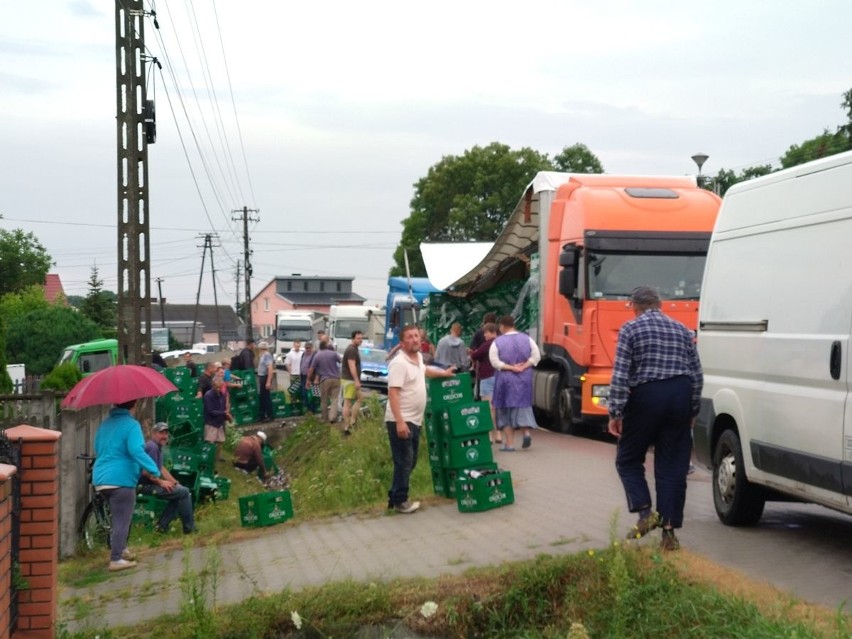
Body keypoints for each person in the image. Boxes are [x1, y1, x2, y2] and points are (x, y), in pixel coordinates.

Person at [607, 286, 703, 552]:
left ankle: (644, 512)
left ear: (635, 307)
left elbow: (621, 374)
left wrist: (615, 412)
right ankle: (669, 534)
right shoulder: (683, 330)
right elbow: (697, 375)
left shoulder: (630, 329)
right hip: (680, 395)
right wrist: (692, 410)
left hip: (647, 396)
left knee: (628, 458)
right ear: (659, 304)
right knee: (673, 467)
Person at [385, 324, 457, 514]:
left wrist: (444, 373)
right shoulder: (399, 363)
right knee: (404, 461)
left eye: (416, 336)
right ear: (401, 343)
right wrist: (399, 422)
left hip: (415, 420)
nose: (415, 339)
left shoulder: (417, 358)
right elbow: (393, 394)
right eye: (409, 337)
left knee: (411, 460)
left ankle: (394, 496)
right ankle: (401, 501)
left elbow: (425, 371)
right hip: (401, 420)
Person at [93, 399, 163, 571]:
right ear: (134, 405)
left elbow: (97, 447)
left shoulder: (105, 424)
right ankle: (116, 558)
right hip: (121, 479)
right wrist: (154, 469)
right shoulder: (132, 425)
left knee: (117, 516)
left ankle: (122, 549)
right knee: (121, 520)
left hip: (101, 478)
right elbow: (136, 450)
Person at [489, 315, 541, 452]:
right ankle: (526, 432)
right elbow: (536, 356)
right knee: (523, 406)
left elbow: (495, 362)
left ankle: (510, 444)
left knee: (504, 410)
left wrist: (511, 367)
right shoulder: (527, 339)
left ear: (502, 326)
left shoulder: (497, 342)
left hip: (505, 379)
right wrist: (524, 366)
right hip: (524, 379)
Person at [138, 422, 196, 535]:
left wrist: (175, 482)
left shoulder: (157, 447)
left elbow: (161, 469)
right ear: (153, 433)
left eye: (166, 433)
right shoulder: (152, 447)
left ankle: (161, 527)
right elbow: (145, 472)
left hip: (151, 484)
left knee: (178, 492)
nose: (164, 436)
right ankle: (189, 528)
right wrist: (161, 483)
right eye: (161, 433)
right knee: (184, 492)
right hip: (144, 486)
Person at [470, 322, 499, 444]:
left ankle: (489, 435)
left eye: (486, 333)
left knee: (488, 408)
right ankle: (498, 435)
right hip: (499, 377)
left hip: (487, 377)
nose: (485, 335)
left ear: (492, 332)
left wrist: (472, 353)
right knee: (496, 408)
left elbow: (475, 355)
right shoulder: (501, 343)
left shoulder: (488, 344)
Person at [308, 341, 342, 424]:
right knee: (335, 399)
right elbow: (341, 361)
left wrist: (308, 380)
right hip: (336, 379)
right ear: (326, 346)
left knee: (324, 400)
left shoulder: (317, 355)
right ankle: (332, 417)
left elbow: (311, 369)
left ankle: (325, 418)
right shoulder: (333, 354)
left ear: (320, 347)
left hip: (325, 380)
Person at [203, 377, 232, 467]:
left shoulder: (222, 395)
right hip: (211, 422)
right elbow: (210, 411)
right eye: (216, 387)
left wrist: (226, 415)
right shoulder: (208, 395)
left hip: (219, 422)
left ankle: (217, 458)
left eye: (220, 387)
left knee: (220, 441)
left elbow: (223, 407)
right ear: (213, 386)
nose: (218, 389)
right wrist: (224, 413)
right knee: (210, 443)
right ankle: (208, 460)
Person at [340, 330, 364, 434]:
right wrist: (356, 380)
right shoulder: (351, 350)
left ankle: (352, 421)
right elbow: (352, 366)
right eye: (358, 338)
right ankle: (347, 425)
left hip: (348, 379)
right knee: (348, 403)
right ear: (353, 338)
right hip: (349, 380)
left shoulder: (354, 349)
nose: (360, 340)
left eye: (361, 338)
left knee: (359, 398)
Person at [256, 341, 275, 422]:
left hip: (265, 378)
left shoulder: (266, 356)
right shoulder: (263, 355)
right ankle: (262, 415)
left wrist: (268, 381)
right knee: (262, 397)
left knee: (266, 397)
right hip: (262, 377)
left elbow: (270, 369)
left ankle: (270, 415)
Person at [298, 341, 316, 410]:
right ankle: (306, 407)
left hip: (310, 377)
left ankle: (311, 408)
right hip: (303, 375)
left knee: (311, 393)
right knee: (303, 392)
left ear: (312, 348)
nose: (308, 349)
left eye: (309, 348)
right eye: (306, 348)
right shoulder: (303, 354)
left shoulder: (314, 355)